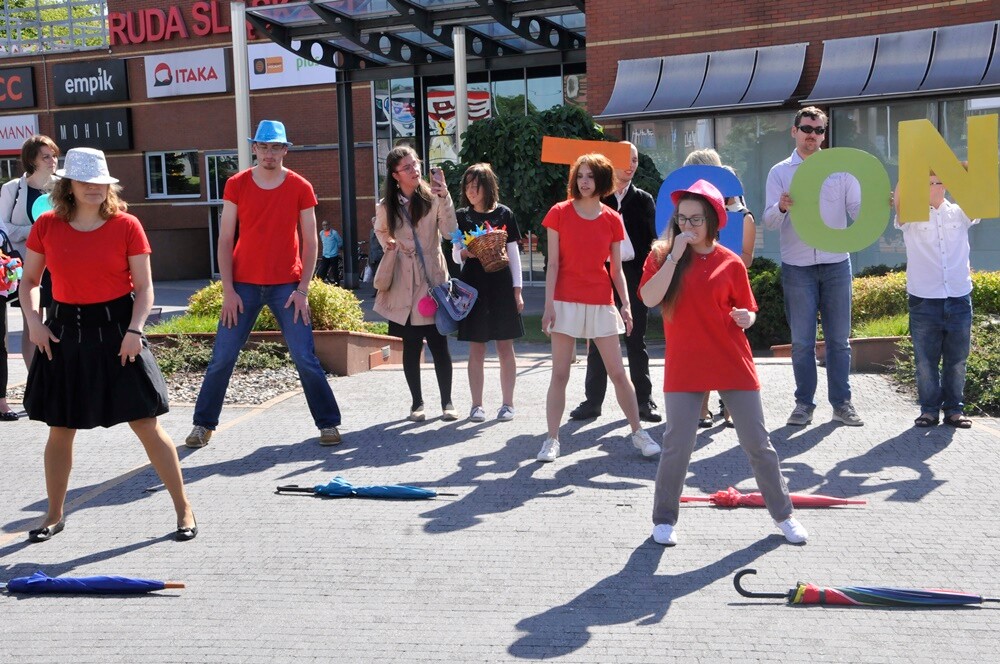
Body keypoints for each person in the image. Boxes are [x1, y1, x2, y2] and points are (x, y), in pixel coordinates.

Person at [19, 147, 197, 542]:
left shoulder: (127, 225)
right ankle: (53, 514)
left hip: (120, 335)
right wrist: (34, 323)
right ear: (68, 185)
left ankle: (184, 509)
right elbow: (29, 283)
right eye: (85, 181)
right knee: (60, 429)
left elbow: (146, 288)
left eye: (100, 181)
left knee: (147, 424)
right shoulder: (46, 225)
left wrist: (135, 331)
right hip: (64, 335)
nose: (94, 188)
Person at [639, 179, 807, 546]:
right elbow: (650, 298)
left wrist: (748, 318)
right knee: (676, 444)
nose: (687, 227)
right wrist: (673, 256)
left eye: (696, 220)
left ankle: (784, 515)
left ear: (713, 220)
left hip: (731, 359)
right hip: (685, 362)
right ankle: (664, 519)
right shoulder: (661, 256)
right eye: (682, 219)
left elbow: (747, 310)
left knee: (758, 443)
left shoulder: (731, 263)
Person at [185, 120, 342, 448]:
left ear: (285, 150)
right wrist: (228, 291)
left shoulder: (300, 186)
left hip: (288, 288)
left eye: (276, 147)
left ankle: (328, 424)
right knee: (222, 357)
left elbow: (311, 242)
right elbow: (226, 238)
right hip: (242, 287)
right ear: (254, 148)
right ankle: (202, 425)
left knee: (304, 356)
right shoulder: (236, 184)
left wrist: (303, 290)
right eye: (263, 146)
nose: (269, 153)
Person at [538, 153, 660, 462]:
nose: (584, 181)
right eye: (580, 175)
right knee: (560, 374)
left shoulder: (612, 219)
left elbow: (616, 269)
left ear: (602, 180)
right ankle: (551, 439)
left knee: (619, 373)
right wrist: (548, 306)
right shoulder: (559, 213)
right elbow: (552, 265)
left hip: (601, 301)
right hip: (564, 301)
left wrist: (627, 307)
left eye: (590, 176)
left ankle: (638, 433)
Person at [763, 107, 864, 427]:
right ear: (794, 131)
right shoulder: (780, 172)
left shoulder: (841, 171)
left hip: (836, 264)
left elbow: (857, 210)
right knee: (803, 342)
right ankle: (804, 404)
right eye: (807, 128)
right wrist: (781, 206)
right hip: (798, 267)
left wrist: (878, 204)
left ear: (825, 134)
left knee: (838, 341)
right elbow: (768, 221)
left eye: (819, 130)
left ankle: (842, 403)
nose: (813, 135)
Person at [570, 142, 660, 423]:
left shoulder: (644, 200)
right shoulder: (598, 200)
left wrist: (650, 278)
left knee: (636, 340)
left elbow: (651, 242)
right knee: (597, 341)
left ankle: (644, 402)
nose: (631, 165)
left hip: (634, 277)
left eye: (635, 159)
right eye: (625, 159)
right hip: (600, 277)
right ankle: (592, 402)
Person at [373, 145, 458, 422]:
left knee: (438, 343)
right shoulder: (388, 206)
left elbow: (448, 232)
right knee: (410, 345)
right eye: (407, 167)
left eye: (416, 164)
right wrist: (391, 245)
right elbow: (381, 229)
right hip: (402, 282)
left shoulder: (434, 198)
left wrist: (445, 197)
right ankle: (417, 404)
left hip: (431, 279)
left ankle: (447, 402)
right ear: (395, 175)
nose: (415, 170)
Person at [894, 173, 978, 428]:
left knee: (957, 359)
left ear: (946, 184)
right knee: (925, 361)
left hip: (958, 296)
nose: (933, 187)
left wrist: (962, 168)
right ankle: (929, 410)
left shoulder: (961, 211)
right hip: (924, 299)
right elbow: (897, 203)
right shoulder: (911, 213)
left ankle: (954, 410)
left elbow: (978, 195)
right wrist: (908, 169)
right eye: (927, 181)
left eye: (938, 181)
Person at [681, 148, 757, 427]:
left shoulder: (740, 215)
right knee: (700, 350)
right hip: (694, 292)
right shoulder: (683, 216)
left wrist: (724, 266)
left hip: (728, 294)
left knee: (728, 349)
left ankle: (729, 406)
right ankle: (701, 409)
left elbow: (746, 257)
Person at [452, 163, 524, 422]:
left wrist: (518, 291)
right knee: (477, 347)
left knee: (506, 346)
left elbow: (514, 255)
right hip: (473, 287)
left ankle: (508, 404)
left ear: (487, 187)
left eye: (476, 186)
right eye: (467, 187)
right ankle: (476, 405)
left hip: (503, 285)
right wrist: (464, 252)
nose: (471, 191)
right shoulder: (461, 216)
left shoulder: (505, 214)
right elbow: (454, 250)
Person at [0, 134, 60, 377]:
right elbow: (3, 226)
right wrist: (34, 231)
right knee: (32, 323)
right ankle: (36, 380)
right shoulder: (12, 189)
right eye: (46, 156)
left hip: (59, 265)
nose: (52, 160)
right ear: (31, 160)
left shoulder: (62, 186)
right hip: (26, 266)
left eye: (54, 155)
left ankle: (58, 378)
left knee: (57, 322)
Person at [317, 220, 343, 284]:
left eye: (326, 225)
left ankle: (337, 284)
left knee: (334, 271)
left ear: (329, 225)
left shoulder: (334, 233)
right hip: (325, 254)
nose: (325, 226)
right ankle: (320, 284)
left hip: (333, 255)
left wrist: (336, 248)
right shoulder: (321, 233)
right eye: (323, 225)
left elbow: (340, 242)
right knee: (323, 270)